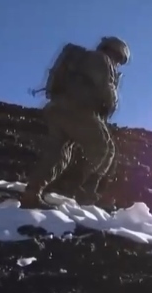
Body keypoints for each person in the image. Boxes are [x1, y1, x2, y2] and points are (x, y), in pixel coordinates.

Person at [20, 36, 130, 209]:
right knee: (104, 148)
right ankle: (84, 194)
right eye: (119, 60)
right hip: (79, 110)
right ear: (116, 53)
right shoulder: (102, 59)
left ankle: (32, 193)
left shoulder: (82, 61)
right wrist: (111, 104)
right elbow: (106, 90)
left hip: (57, 109)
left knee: (58, 155)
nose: (117, 65)